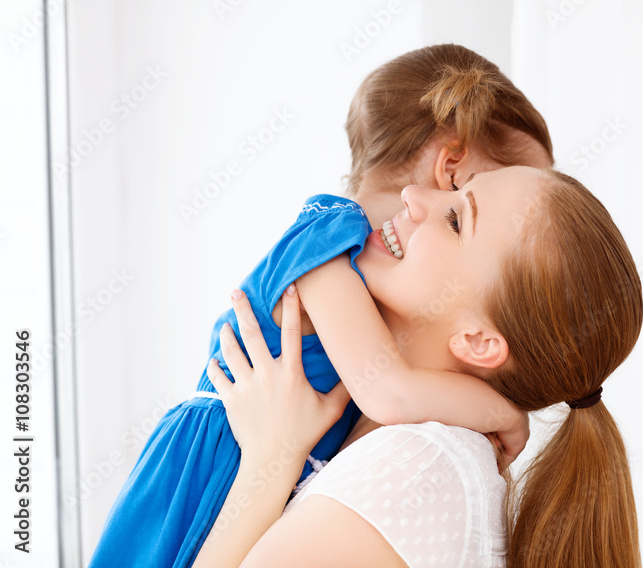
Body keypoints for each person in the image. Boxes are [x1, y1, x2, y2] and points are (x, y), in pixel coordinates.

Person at [89, 44, 554, 568]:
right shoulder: (326, 238)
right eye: (491, 188)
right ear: (452, 169)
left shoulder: (375, 290)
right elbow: (388, 392)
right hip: (211, 463)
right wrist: (504, 414)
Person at [194, 166, 643, 568]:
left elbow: (391, 391)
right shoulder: (413, 447)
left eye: (455, 221)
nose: (412, 193)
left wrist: (272, 456)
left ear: (479, 342)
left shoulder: (414, 469)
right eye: (454, 186)